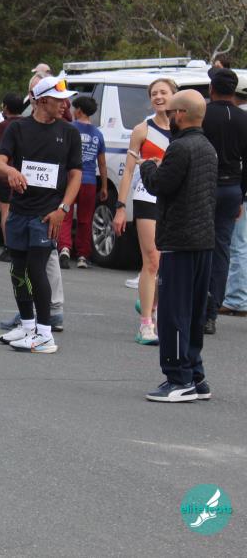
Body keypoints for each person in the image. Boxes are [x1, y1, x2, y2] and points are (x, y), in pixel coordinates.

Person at [0, 76, 82, 353]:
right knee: (17, 269)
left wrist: (63, 209)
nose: (65, 105)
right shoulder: (18, 128)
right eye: (59, 100)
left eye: (66, 100)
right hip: (19, 210)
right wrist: (10, 171)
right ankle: (27, 325)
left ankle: (44, 333)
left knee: (36, 268)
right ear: (42, 101)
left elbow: (75, 175)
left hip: (47, 214)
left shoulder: (69, 132)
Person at [140, 89, 216, 402]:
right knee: (194, 312)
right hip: (203, 240)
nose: (169, 117)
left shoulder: (180, 147)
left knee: (173, 312)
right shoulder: (208, 147)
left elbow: (160, 185)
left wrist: (148, 166)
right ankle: (195, 375)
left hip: (178, 240)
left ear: (181, 115)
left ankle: (177, 378)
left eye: (171, 112)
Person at [113, 78, 175, 345]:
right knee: (152, 260)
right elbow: (128, 171)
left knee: (168, 263)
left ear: (174, 95)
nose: (158, 97)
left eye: (163, 92)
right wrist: (120, 207)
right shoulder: (142, 129)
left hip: (174, 200)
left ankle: (150, 303)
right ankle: (146, 325)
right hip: (147, 196)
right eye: (154, 93)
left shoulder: (183, 128)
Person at [200, 67, 247, 335]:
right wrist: (242, 194)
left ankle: (194, 304)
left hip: (202, 186)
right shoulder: (243, 119)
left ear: (211, 89)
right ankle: (211, 312)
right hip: (231, 188)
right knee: (221, 249)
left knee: (195, 244)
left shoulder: (202, 114)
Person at [57, 96, 107, 269]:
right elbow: (102, 163)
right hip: (89, 182)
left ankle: (64, 248)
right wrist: (104, 186)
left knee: (65, 215)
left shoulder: (69, 129)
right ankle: (83, 256)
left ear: (78, 110)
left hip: (70, 179)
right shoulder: (98, 135)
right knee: (85, 219)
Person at [221, 76, 247, 316]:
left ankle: (236, 299)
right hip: (239, 189)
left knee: (237, 244)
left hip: (235, 188)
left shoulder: (237, 117)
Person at [0, 93, 26, 262]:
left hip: (6, 175)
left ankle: (8, 247)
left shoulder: (4, 125)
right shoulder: (27, 124)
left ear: (5, 107)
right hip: (23, 174)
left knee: (5, 212)